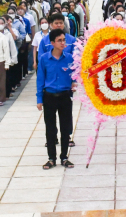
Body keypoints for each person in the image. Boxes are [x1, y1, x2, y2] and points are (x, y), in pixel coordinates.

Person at [37, 29, 75, 169]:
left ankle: (64, 157)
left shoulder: (70, 58)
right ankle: (51, 158)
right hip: (49, 97)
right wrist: (39, 99)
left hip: (64, 97)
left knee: (66, 128)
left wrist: (74, 82)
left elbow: (75, 74)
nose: (63, 43)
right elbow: (40, 79)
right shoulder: (44, 59)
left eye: (64, 40)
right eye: (59, 40)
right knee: (50, 129)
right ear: (52, 43)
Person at [0, 17, 19, 98]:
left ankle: (7, 93)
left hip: (7, 59)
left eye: (2, 23)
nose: (0, 25)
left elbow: (12, 48)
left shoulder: (8, 34)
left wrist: (13, 59)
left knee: (7, 77)